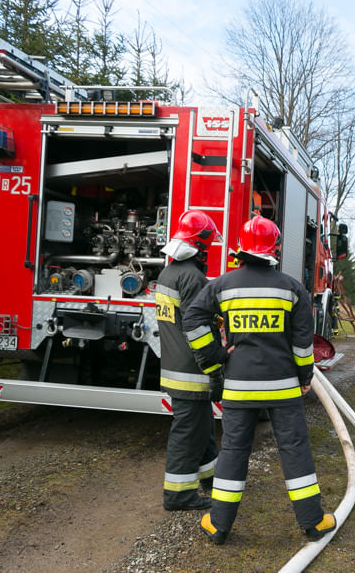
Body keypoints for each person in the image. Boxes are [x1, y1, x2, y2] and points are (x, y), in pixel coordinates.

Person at [182, 216, 336, 545]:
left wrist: (215, 354)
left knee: (234, 451)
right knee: (294, 448)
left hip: (238, 387)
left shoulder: (222, 285)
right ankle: (312, 522)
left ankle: (219, 525)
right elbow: (302, 344)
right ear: (274, 250)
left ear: (241, 249)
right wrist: (305, 376)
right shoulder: (292, 289)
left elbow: (192, 318)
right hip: (283, 388)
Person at [156, 210, 223, 511]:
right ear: (201, 246)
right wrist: (216, 365)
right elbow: (197, 329)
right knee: (188, 433)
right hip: (192, 370)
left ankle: (212, 479)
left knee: (202, 428)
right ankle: (178, 495)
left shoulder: (169, 273)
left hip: (175, 366)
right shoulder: (193, 277)